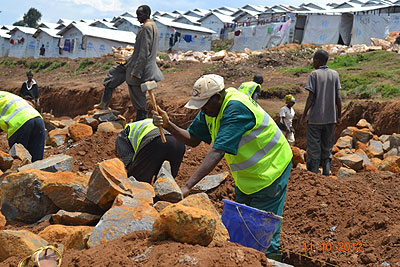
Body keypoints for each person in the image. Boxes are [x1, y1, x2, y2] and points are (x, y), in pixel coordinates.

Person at [153, 74, 292, 260]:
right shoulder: (210, 110)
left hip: (271, 168)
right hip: (247, 176)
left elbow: (217, 152)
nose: (202, 109)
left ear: (218, 96)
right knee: (242, 222)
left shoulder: (235, 109)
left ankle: (271, 260)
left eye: (205, 104)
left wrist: (187, 187)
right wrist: (168, 124)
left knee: (263, 228)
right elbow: (193, 139)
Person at [94, 5, 164, 121]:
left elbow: (144, 53)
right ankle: (104, 103)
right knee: (113, 74)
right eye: (137, 15)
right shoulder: (151, 26)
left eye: (139, 15)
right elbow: (138, 52)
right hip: (134, 63)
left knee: (138, 98)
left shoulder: (147, 28)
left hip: (141, 68)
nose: (137, 18)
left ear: (147, 14)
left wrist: (136, 73)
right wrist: (126, 61)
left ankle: (140, 122)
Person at [301, 50, 342, 176]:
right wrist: (339, 115)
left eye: (314, 60)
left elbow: (311, 97)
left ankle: (313, 174)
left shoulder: (314, 75)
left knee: (314, 146)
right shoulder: (335, 74)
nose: (313, 62)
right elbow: (338, 97)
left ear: (318, 61)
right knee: (327, 146)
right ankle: (326, 171)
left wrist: (304, 115)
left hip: (315, 119)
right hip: (330, 118)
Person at [115, 118, 185, 183]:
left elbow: (129, 161)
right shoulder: (147, 122)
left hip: (156, 140)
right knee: (166, 183)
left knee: (138, 183)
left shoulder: (122, 136)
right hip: (180, 144)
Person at [0, 91, 45, 162]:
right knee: (37, 161)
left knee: (19, 160)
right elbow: (29, 103)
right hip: (37, 119)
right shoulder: (6, 94)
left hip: (19, 124)